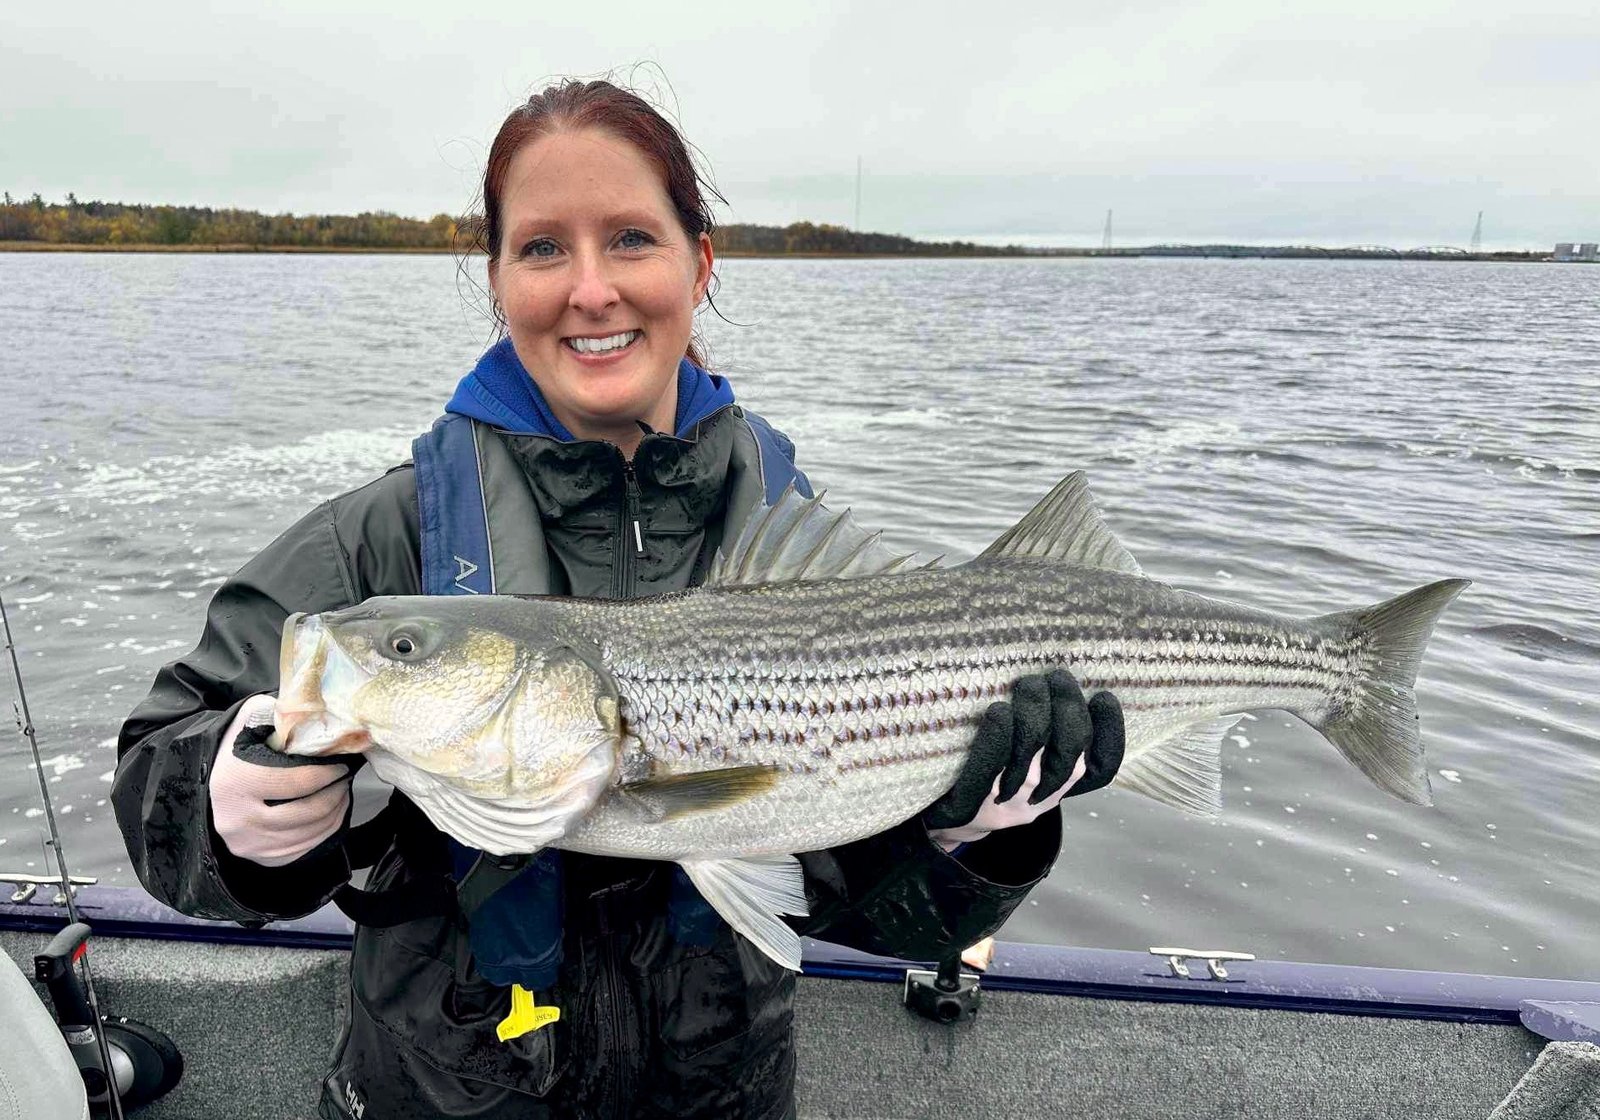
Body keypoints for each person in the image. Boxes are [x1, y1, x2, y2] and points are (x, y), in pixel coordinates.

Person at [112, 79, 1126, 1120]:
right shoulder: (386, 536)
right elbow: (161, 769)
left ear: (701, 262)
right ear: (497, 278)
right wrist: (224, 812)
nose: (589, 289)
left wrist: (976, 841)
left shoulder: (799, 551)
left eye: (631, 238)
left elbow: (880, 914)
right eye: (543, 248)